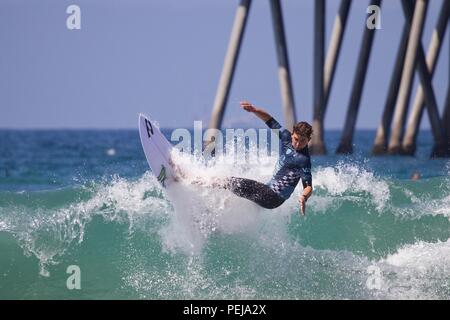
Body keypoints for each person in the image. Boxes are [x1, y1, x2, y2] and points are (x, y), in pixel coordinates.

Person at [208, 101, 313, 216]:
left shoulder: (303, 160)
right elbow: (269, 120)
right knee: (235, 190)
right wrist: (254, 110)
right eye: (296, 139)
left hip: (273, 197)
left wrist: (303, 197)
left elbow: (308, 186)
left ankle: (199, 181)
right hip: (267, 190)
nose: (297, 144)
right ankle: (219, 214)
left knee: (230, 182)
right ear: (292, 134)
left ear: (309, 139)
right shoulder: (286, 137)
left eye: (303, 141)